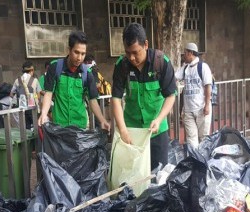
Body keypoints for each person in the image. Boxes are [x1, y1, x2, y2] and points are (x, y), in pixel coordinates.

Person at [112, 23, 177, 169]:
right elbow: (115, 99)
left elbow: (170, 95)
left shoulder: (161, 62)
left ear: (146, 44)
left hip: (156, 131)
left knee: (158, 174)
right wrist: (122, 130)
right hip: (131, 132)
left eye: (136, 52)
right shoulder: (122, 65)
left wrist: (159, 119)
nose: (132, 58)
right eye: (128, 53)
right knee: (132, 175)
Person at [37, 30, 110, 132]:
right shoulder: (55, 68)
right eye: (76, 52)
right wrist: (44, 114)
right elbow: (48, 94)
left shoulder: (87, 74)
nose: (79, 58)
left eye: (83, 54)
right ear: (69, 50)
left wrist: (102, 120)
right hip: (60, 127)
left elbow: (92, 100)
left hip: (80, 127)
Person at [175, 42, 212, 149]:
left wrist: (207, 105)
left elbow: (208, 86)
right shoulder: (185, 68)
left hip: (202, 109)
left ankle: (204, 162)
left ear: (190, 53)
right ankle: (196, 161)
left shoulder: (203, 67)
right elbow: (175, 77)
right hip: (188, 111)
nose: (184, 55)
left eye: (185, 53)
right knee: (191, 140)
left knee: (203, 139)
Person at [11, 61, 42, 129]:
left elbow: (11, 94)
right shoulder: (35, 80)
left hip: (21, 108)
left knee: (25, 128)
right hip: (32, 108)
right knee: (35, 128)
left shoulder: (17, 80)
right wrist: (34, 97)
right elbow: (38, 96)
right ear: (31, 70)